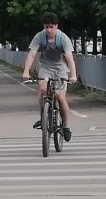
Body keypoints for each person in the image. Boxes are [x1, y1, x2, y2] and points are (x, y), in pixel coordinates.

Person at [21, 12, 78, 140]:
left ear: (56, 26)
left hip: (60, 68)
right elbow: (31, 54)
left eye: (51, 27)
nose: (49, 30)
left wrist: (73, 75)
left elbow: (69, 57)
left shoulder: (63, 38)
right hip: (45, 66)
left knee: (60, 97)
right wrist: (26, 71)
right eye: (46, 27)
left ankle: (66, 126)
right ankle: (43, 118)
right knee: (42, 89)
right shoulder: (39, 37)